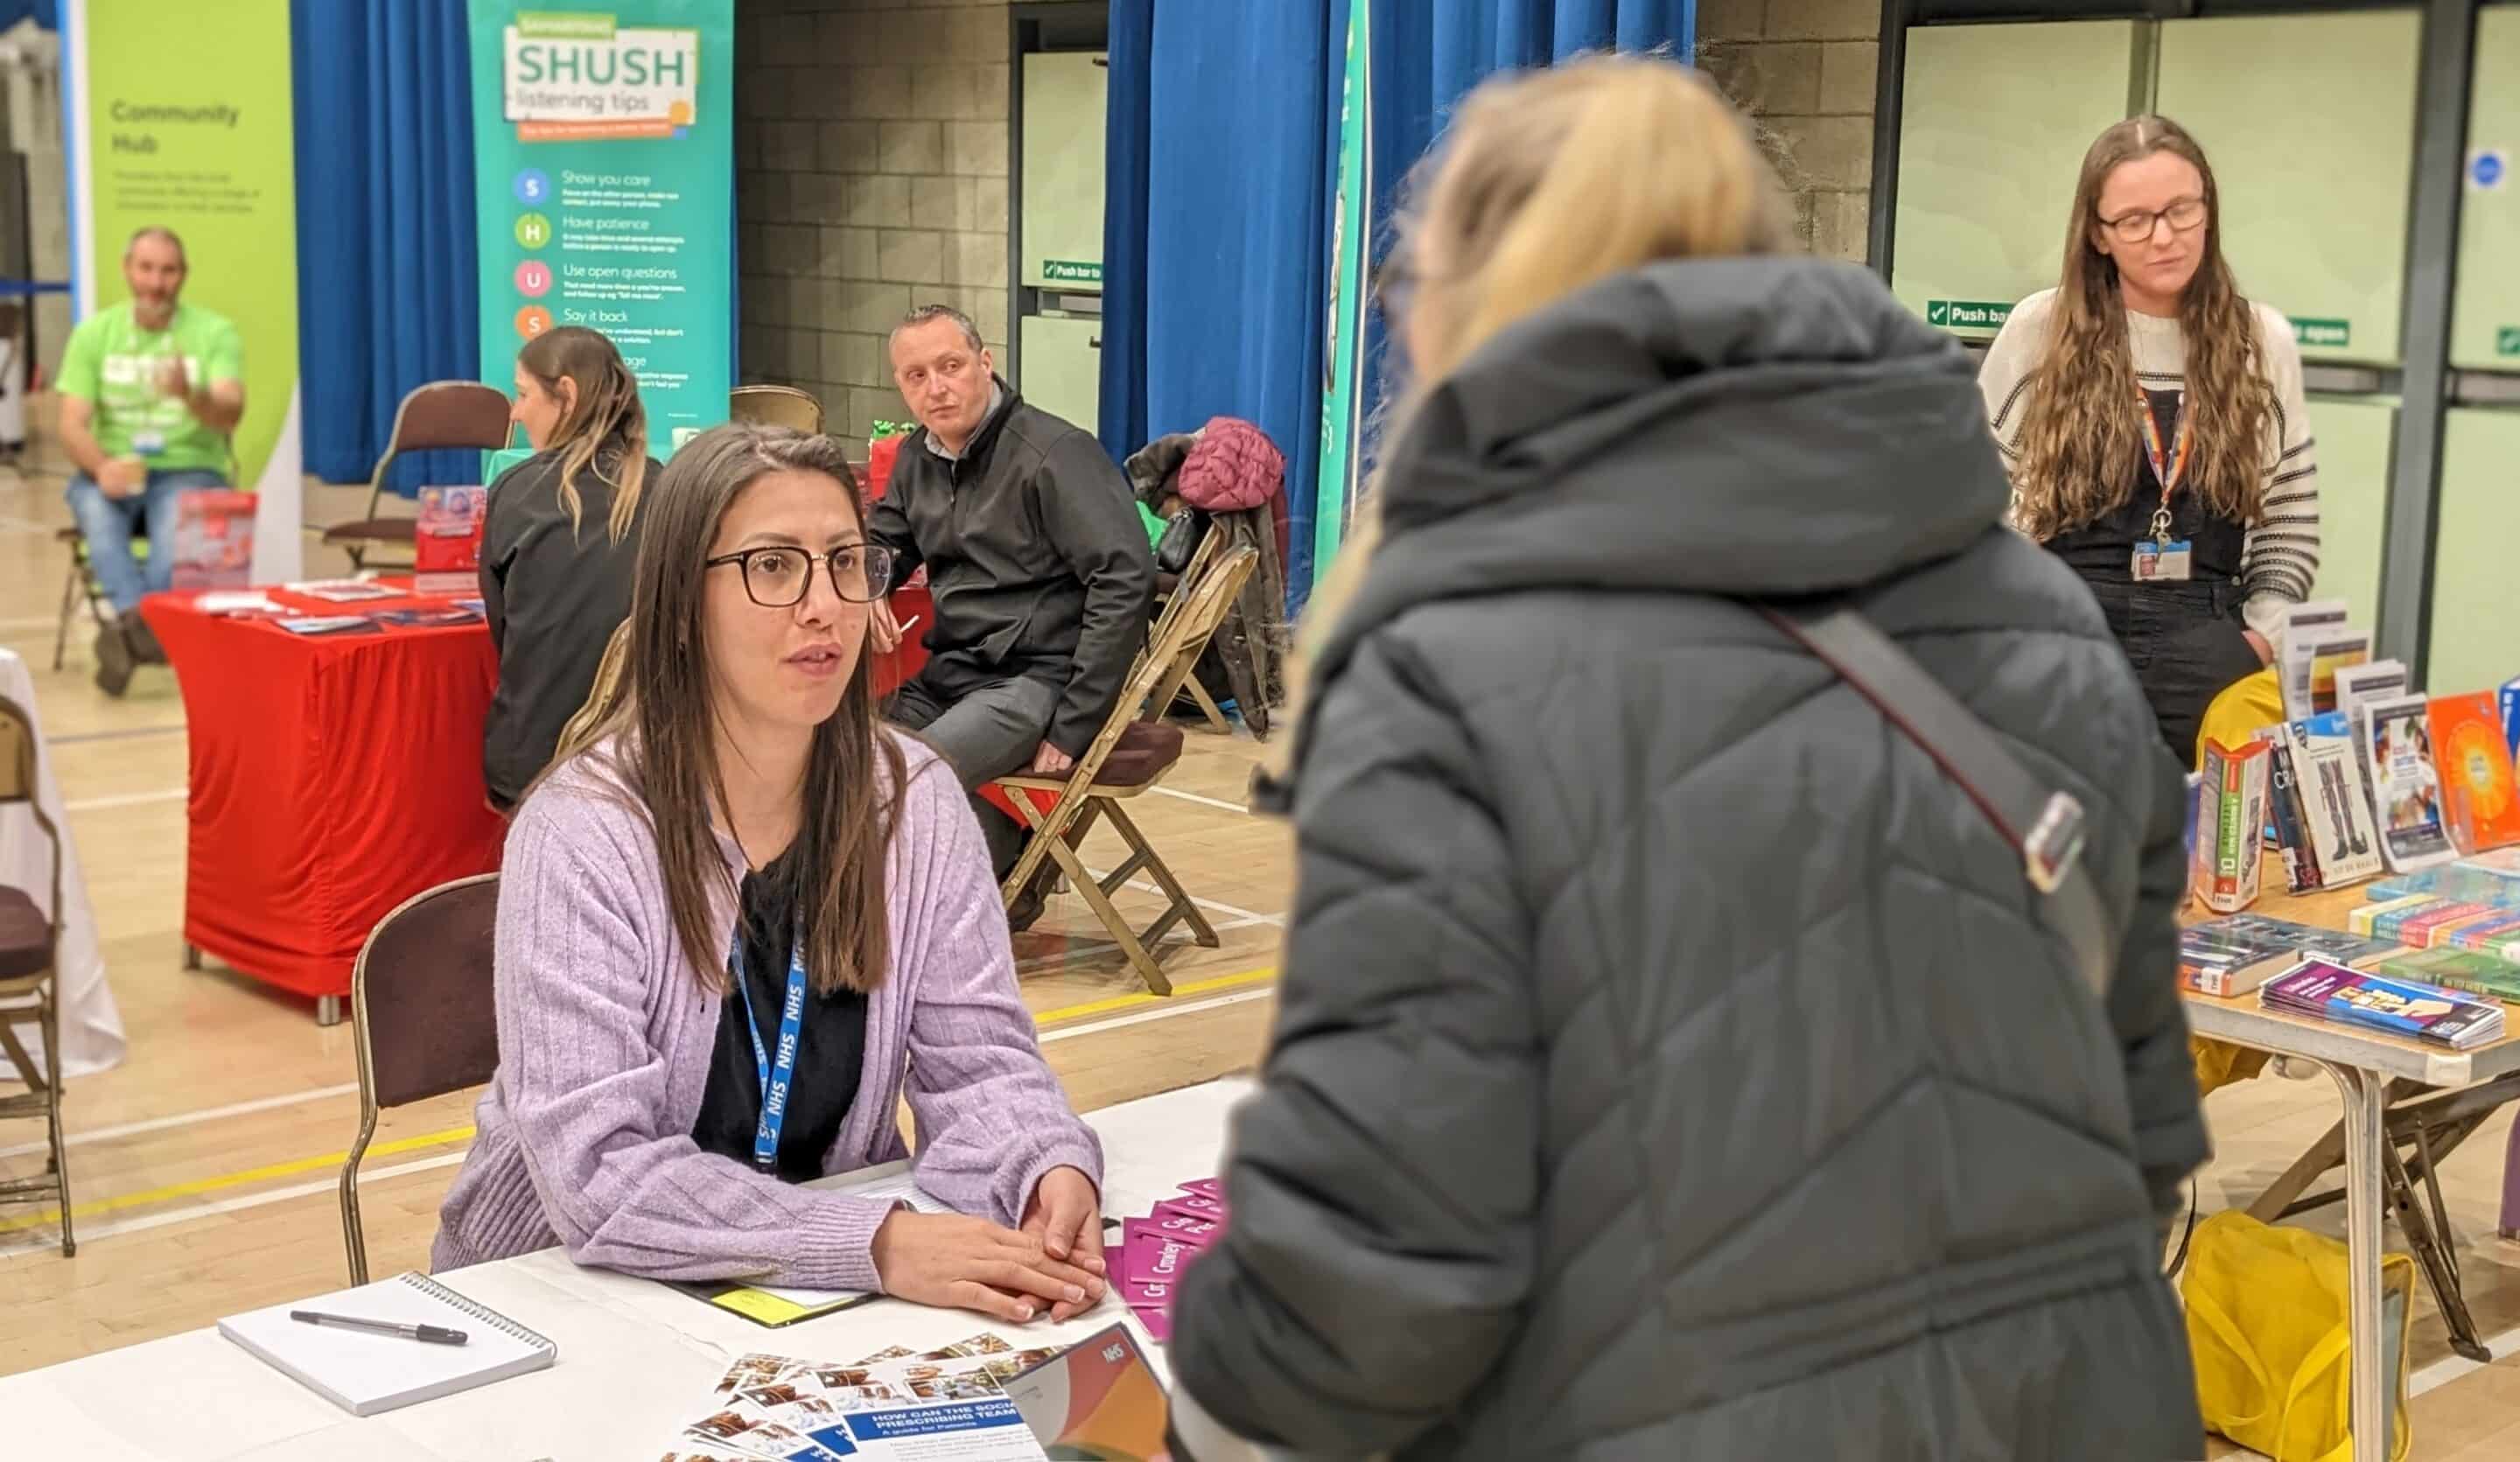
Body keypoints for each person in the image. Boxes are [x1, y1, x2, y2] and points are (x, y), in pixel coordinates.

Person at [1164, 56, 2206, 1461]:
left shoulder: (1458, 659)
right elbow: (2139, 1136)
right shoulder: (2048, 618)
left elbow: (1382, 1260)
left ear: (1475, 298)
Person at [433, 424, 1111, 1326]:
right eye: (773, 567)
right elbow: (598, 1176)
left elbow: (979, 1068)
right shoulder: (581, 834)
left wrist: (1045, 1163)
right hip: (562, 1299)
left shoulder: (914, 802)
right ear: (681, 601)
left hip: (806, 1300)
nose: (823, 605)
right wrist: (873, 1244)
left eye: (844, 563)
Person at [1982, 115, 2320, 764]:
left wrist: (2260, 638)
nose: (2164, 236)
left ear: (2208, 210)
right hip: (2066, 637)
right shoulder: (2041, 330)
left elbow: (2288, 518)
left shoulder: (2260, 343)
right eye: (2134, 219)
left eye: (2181, 210)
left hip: (2208, 637)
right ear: (2098, 234)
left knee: (2206, 854)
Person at [866, 304, 1154, 928]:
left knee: (908, 778)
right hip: (951, 673)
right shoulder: (919, 458)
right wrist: (867, 589)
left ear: (986, 363)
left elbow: (1127, 575)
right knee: (843, 760)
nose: (936, 387)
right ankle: (993, 876)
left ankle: (918, 919)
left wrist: (1076, 721)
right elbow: (881, 543)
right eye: (916, 375)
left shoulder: (1055, 454)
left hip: (1033, 680)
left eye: (950, 366)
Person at [55, 226, 245, 696]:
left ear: (184, 276)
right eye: (146, 268)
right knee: (96, 512)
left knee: (172, 535)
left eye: (168, 271)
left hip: (188, 467)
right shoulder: (94, 334)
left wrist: (190, 394)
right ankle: (147, 630)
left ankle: (126, 631)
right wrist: (101, 467)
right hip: (110, 469)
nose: (156, 282)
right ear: (126, 269)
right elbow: (71, 425)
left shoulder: (214, 332)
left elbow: (229, 413)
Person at [480, 326, 662, 812]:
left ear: (566, 395)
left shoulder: (515, 492)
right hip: (653, 761)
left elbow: (504, 634)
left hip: (535, 763)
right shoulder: (671, 490)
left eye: (522, 395)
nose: (515, 414)